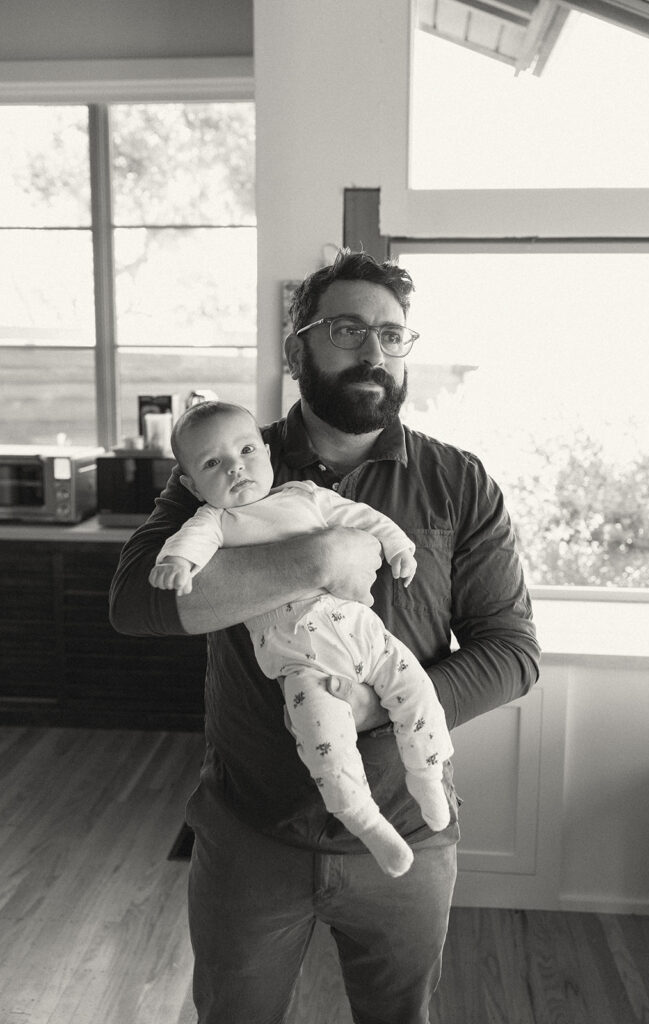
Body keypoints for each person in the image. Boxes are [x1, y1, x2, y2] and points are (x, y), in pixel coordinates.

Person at [109, 249, 541, 1024]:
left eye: (391, 333)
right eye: (346, 329)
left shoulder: (458, 483)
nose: (372, 351)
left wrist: (378, 707)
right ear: (295, 346)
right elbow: (133, 603)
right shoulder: (225, 462)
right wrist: (313, 557)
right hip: (250, 833)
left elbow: (511, 651)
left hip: (409, 831)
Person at [149, 400, 454, 879]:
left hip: (365, 636)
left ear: (267, 453)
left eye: (246, 450)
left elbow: (366, 518)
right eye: (212, 463)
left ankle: (427, 775)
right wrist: (175, 565)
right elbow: (184, 547)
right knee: (323, 742)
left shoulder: (305, 495)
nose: (235, 468)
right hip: (300, 663)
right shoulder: (215, 523)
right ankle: (364, 818)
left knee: (419, 694)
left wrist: (399, 547)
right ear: (191, 485)